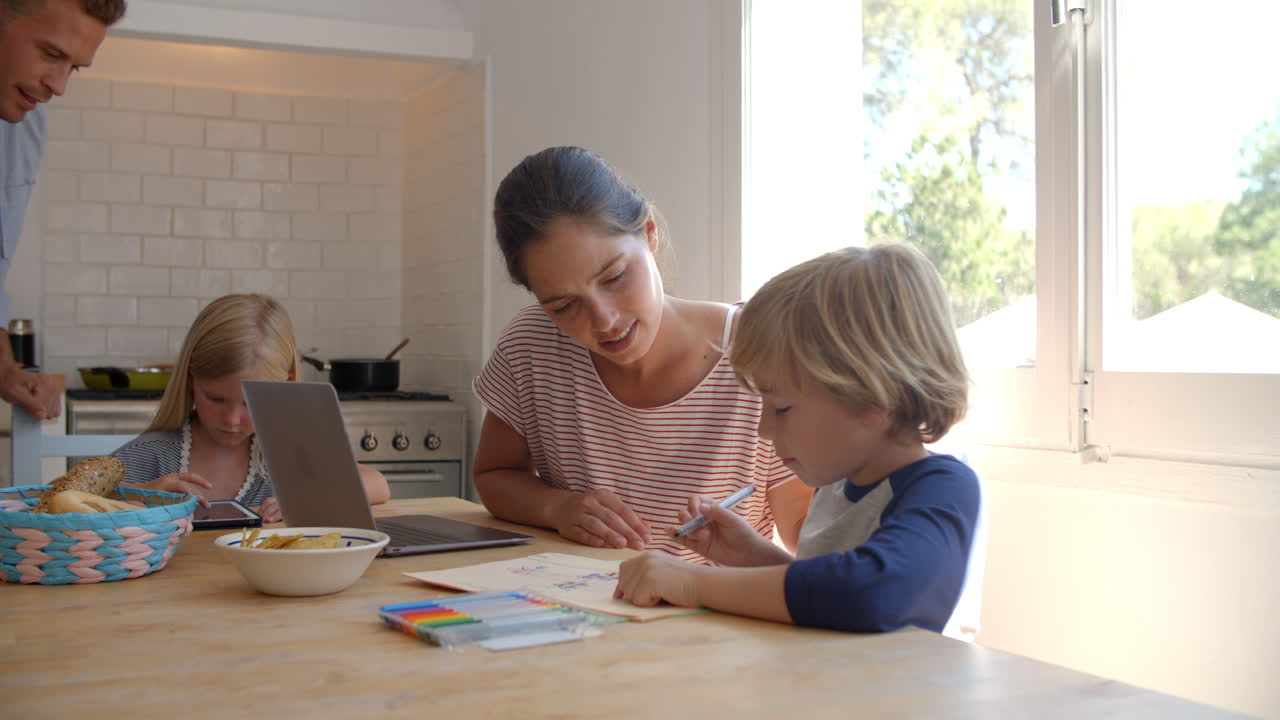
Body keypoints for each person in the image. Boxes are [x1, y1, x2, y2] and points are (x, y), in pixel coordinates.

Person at [614, 244, 984, 638]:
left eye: (782, 408)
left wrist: (692, 583)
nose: (764, 430)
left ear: (873, 397)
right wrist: (754, 557)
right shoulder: (839, 484)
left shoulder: (944, 488)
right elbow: (827, 596)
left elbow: (869, 592)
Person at [473, 146, 812, 561]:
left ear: (649, 234)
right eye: (563, 306)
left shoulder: (760, 350)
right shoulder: (533, 348)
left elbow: (809, 531)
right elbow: (493, 475)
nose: (604, 320)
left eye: (614, 276)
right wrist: (555, 507)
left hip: (716, 616)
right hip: (580, 609)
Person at [111, 294, 390, 522]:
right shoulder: (154, 454)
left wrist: (311, 497)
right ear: (190, 381)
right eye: (215, 399)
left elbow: (378, 484)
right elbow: (71, 500)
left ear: (286, 385)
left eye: (249, 402)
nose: (232, 419)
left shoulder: (287, 452)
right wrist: (139, 494)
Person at [1, 0, 126, 420]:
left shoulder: (24, 128)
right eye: (51, 54)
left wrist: (6, 370)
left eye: (73, 67)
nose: (58, 85)